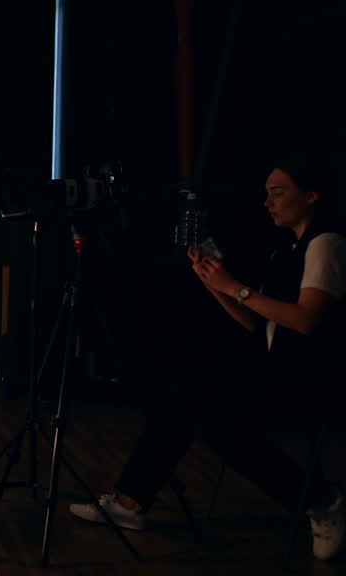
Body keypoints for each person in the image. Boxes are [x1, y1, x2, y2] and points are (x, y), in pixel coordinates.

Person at [68, 155, 345, 561]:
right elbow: (256, 322)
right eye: (267, 193)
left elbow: (304, 320)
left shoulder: (327, 244)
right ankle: (131, 501)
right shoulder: (287, 249)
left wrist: (235, 288)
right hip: (275, 365)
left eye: (279, 193)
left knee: (214, 418)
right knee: (183, 391)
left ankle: (321, 500)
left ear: (311, 196)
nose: (268, 202)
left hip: (308, 376)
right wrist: (214, 283)